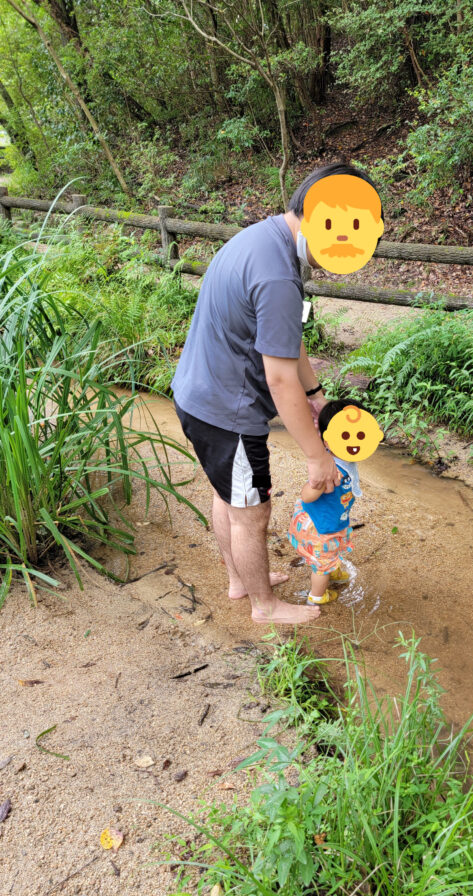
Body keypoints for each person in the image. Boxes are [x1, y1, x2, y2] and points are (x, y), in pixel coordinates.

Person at [170, 163, 384, 625]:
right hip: (229, 411)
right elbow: (279, 379)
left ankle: (239, 579)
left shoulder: (263, 238)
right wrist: (317, 456)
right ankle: (263, 606)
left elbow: (288, 339)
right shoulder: (279, 277)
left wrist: (319, 395)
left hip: (196, 395)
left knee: (229, 494)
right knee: (254, 511)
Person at [288, 399, 383, 606]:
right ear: (327, 441)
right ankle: (317, 596)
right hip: (319, 526)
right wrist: (315, 485)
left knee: (332, 551)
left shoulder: (346, 457)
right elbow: (306, 496)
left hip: (332, 518)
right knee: (321, 564)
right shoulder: (329, 469)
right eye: (346, 436)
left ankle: (332, 566)